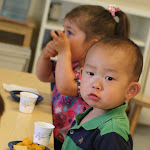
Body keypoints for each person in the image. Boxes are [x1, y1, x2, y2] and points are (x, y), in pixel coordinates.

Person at [36, 5, 130, 149]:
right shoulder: (70, 64)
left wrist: (63, 52)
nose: (64, 37)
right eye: (64, 30)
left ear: (93, 45)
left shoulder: (91, 75)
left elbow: (66, 87)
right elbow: (44, 76)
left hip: (74, 140)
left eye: (70, 33)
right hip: (54, 130)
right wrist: (45, 55)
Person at [61, 37, 143, 150]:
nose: (96, 84)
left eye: (109, 78)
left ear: (131, 90)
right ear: (81, 74)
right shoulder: (91, 112)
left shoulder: (112, 134)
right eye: (90, 73)